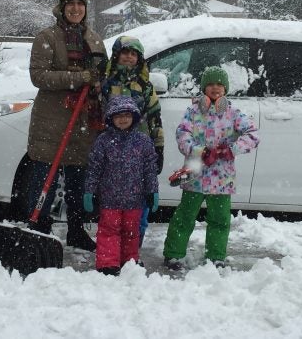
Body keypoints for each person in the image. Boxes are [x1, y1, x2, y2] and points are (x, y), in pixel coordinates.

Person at [21, 0, 107, 251]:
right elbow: (39, 76)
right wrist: (79, 77)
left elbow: (102, 74)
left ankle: (76, 230)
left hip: (83, 120)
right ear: (61, 7)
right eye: (70, 4)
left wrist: (97, 82)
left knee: (77, 181)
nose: (75, 9)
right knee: (43, 175)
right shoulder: (46, 38)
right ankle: (40, 229)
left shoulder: (93, 39)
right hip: (52, 121)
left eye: (80, 4)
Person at [163, 66, 260, 270]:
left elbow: (252, 135)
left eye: (219, 84)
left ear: (225, 88)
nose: (215, 88)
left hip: (222, 178)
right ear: (203, 88)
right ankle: (173, 253)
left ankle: (216, 255)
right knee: (184, 216)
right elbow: (182, 135)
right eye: (210, 84)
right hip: (194, 174)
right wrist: (199, 151)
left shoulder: (234, 114)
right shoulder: (192, 112)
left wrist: (230, 150)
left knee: (220, 219)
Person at [83, 96, 159, 275]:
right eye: (118, 116)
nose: (123, 119)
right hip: (110, 198)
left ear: (134, 116)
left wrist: (152, 192)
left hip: (135, 199)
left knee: (131, 233)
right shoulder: (103, 141)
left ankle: (128, 261)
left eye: (126, 115)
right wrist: (89, 191)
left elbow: (150, 169)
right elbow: (94, 168)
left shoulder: (143, 141)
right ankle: (108, 263)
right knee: (109, 231)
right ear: (111, 118)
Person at [101, 35, 164, 246]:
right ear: (116, 56)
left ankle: (133, 245)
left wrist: (158, 147)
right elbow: (97, 115)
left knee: (139, 203)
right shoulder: (107, 84)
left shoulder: (145, 86)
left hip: (139, 151)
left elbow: (155, 117)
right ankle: (113, 245)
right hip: (112, 151)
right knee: (112, 202)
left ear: (140, 58)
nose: (129, 57)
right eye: (125, 52)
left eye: (133, 53)